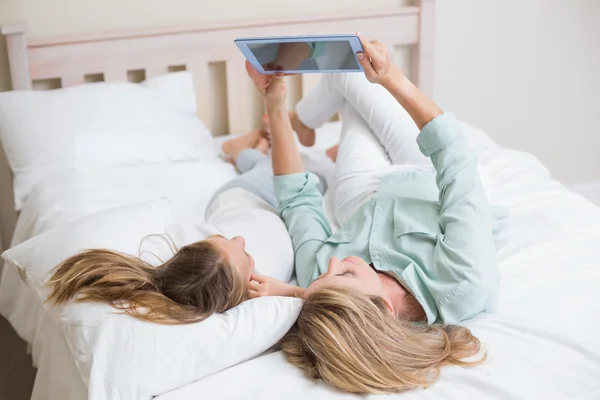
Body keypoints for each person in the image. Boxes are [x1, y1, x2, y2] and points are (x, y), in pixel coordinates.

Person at [245, 35, 500, 394]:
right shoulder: (462, 280)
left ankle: (300, 122)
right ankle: (308, 125)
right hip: (429, 176)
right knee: (358, 74)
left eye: (322, 280)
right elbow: (453, 153)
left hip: (363, 194)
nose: (334, 263)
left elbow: (297, 199)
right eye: (346, 272)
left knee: (346, 73)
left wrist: (273, 102)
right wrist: (391, 77)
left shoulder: (322, 281)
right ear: (385, 308)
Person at [45, 136, 297, 324]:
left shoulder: (200, 261)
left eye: (222, 239)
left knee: (266, 167)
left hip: (244, 196)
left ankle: (240, 150)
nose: (241, 239)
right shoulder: (263, 293)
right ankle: (254, 150)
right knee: (312, 178)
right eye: (246, 255)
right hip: (282, 208)